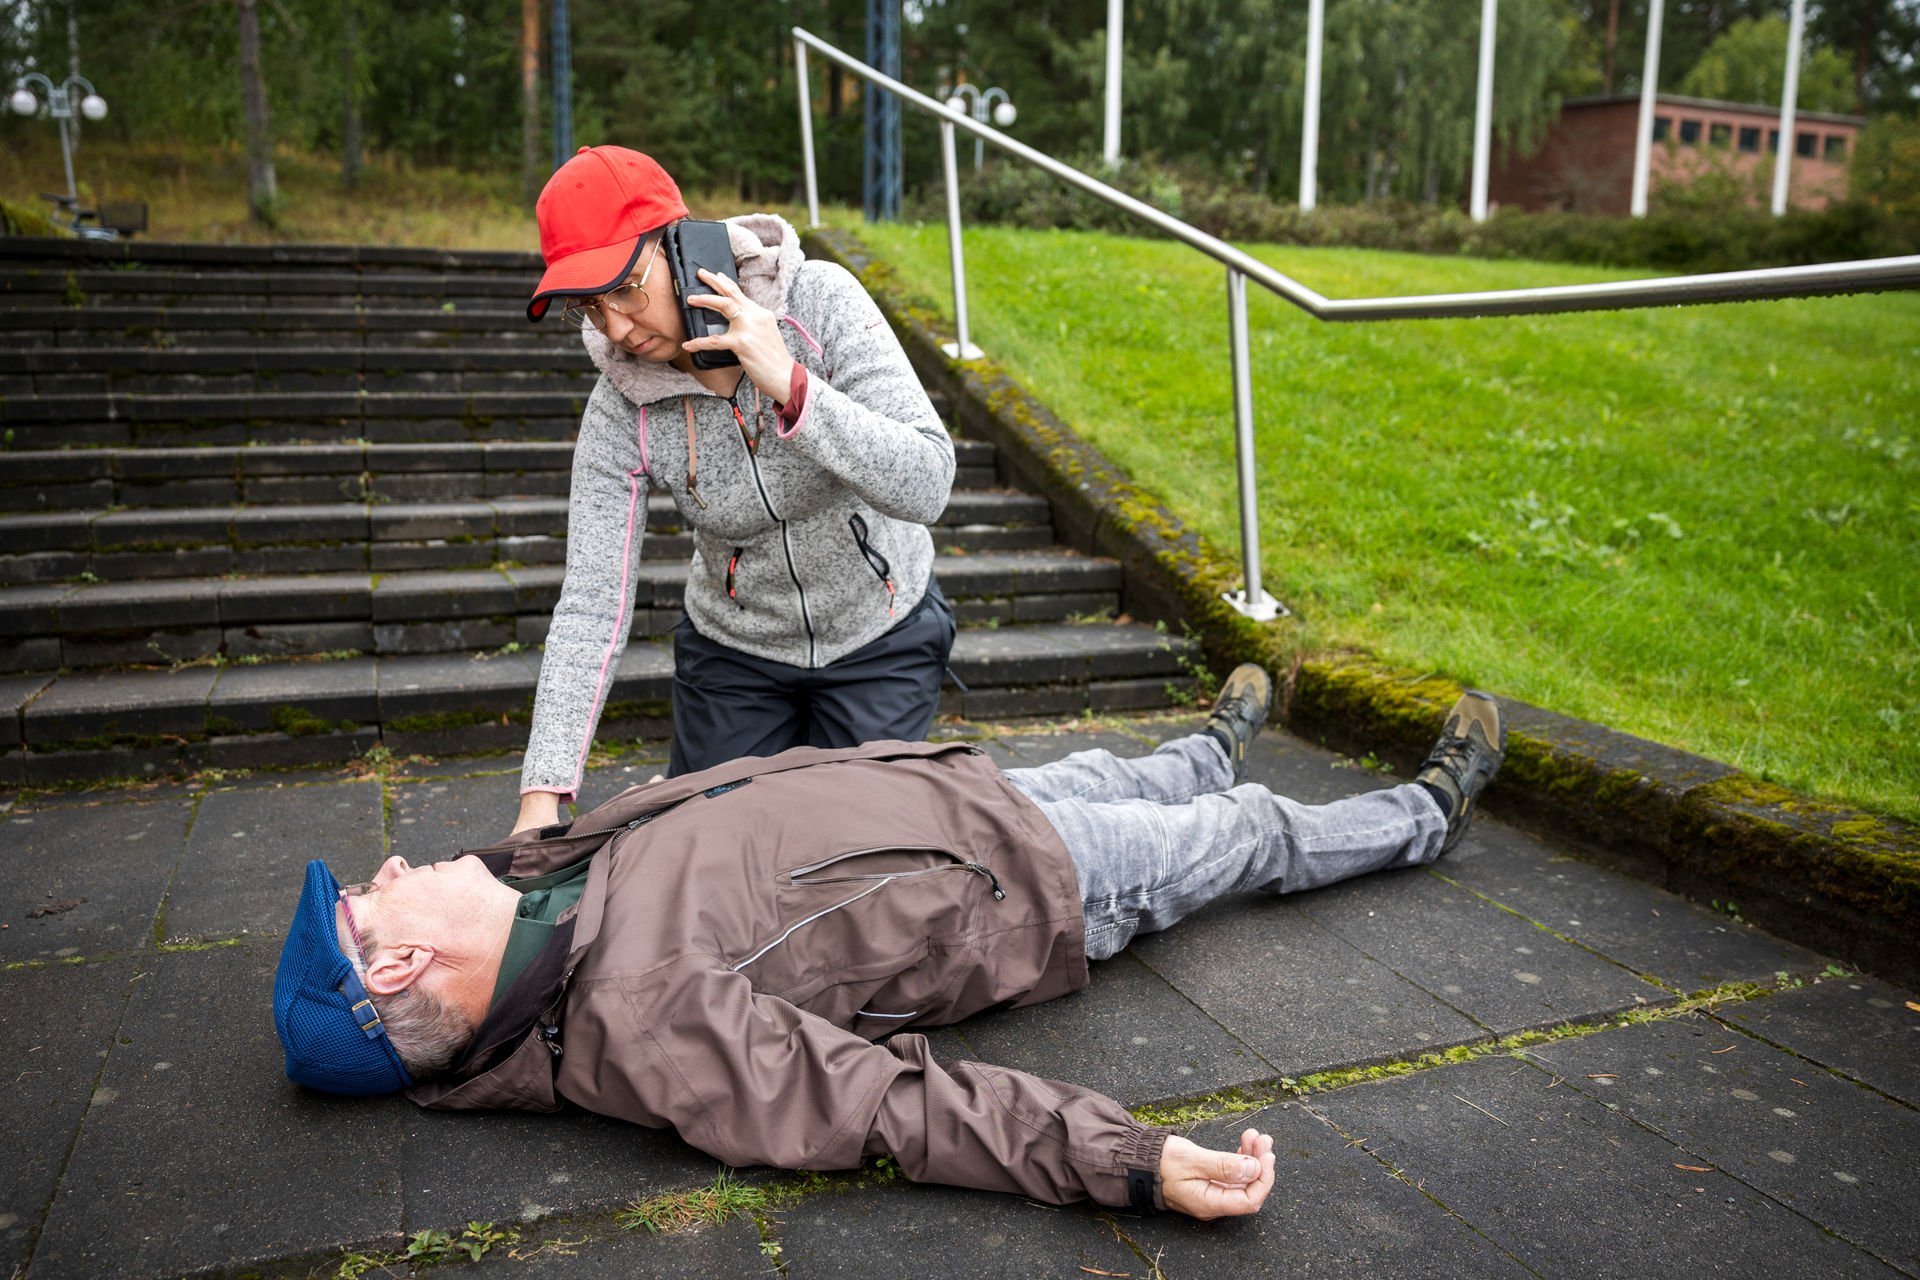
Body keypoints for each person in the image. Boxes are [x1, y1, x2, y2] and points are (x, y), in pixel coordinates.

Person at [274, 667, 1505, 1219]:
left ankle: (1208, 739)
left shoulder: (536, 876)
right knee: (1240, 832)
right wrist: (1127, 1158)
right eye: (368, 904)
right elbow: (887, 1105)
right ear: (395, 971)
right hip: (1024, 887)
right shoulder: (642, 1024)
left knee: (1135, 770)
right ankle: (1421, 818)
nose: (387, 865)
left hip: (960, 795)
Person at [512, 145, 958, 835]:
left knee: (856, 854)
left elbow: (929, 480)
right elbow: (593, 598)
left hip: (878, 632)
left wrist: (793, 386)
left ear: (684, 247)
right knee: (712, 855)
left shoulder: (821, 302)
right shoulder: (620, 404)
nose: (619, 330)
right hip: (734, 654)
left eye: (628, 288)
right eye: (590, 309)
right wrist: (544, 791)